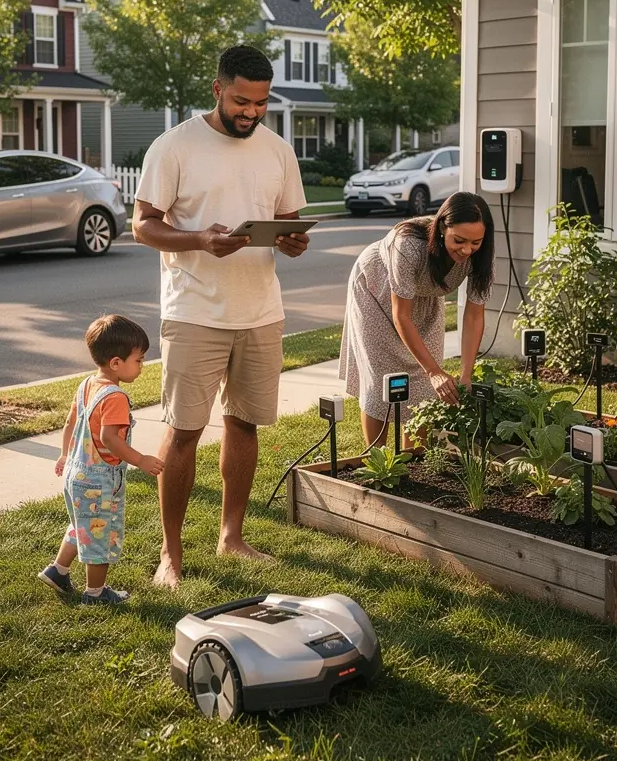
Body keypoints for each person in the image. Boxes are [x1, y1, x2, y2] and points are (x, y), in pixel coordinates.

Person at [133, 43, 309, 587]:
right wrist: (198, 241)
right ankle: (171, 554)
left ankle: (231, 537)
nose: (251, 113)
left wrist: (293, 240)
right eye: (241, 101)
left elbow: (289, 219)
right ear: (217, 89)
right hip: (194, 311)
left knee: (244, 424)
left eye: (260, 103)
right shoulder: (174, 146)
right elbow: (143, 225)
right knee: (184, 431)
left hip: (260, 310)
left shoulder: (278, 150)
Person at [339, 192, 495, 448]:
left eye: (476, 242)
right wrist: (434, 371)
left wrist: (466, 374)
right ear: (443, 227)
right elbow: (401, 315)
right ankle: (378, 460)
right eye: (459, 240)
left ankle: (413, 461)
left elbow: (474, 314)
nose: (467, 249)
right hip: (376, 291)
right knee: (381, 382)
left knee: (424, 385)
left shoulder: (481, 255)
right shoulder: (408, 245)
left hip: (426, 298)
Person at [38, 314, 164, 605]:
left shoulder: (86, 385)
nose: (142, 366)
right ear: (116, 363)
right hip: (97, 480)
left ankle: (58, 571)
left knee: (81, 524)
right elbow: (110, 438)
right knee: (100, 533)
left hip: (75, 472)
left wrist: (65, 454)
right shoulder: (115, 397)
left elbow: (71, 422)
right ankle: (95, 593)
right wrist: (140, 459)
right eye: (139, 360)